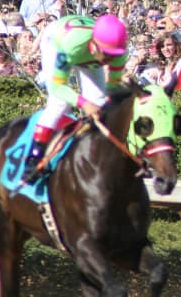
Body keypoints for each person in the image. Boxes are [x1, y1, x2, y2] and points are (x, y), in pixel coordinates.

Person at [22, 14, 129, 183]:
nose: (111, 59)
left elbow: (112, 89)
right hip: (56, 43)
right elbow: (58, 87)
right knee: (60, 104)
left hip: (86, 52)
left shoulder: (119, 53)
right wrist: (83, 103)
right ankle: (33, 159)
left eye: (114, 54)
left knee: (100, 103)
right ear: (95, 46)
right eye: (107, 54)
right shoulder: (71, 46)